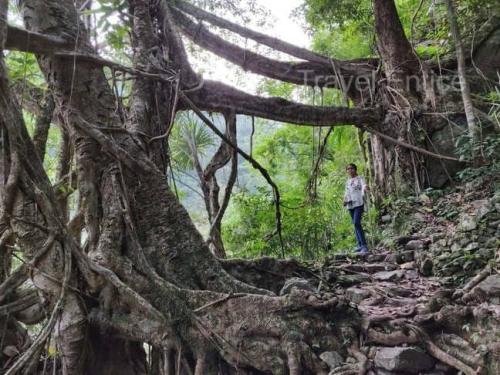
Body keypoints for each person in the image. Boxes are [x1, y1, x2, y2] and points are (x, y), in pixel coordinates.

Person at [343, 163, 369, 254]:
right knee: (355, 224)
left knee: (356, 222)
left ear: (355, 169)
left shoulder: (360, 178)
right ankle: (359, 245)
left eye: (351, 168)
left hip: (359, 202)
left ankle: (364, 245)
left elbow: (364, 185)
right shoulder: (347, 181)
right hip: (350, 204)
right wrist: (345, 200)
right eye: (348, 169)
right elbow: (346, 192)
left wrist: (365, 188)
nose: (350, 170)